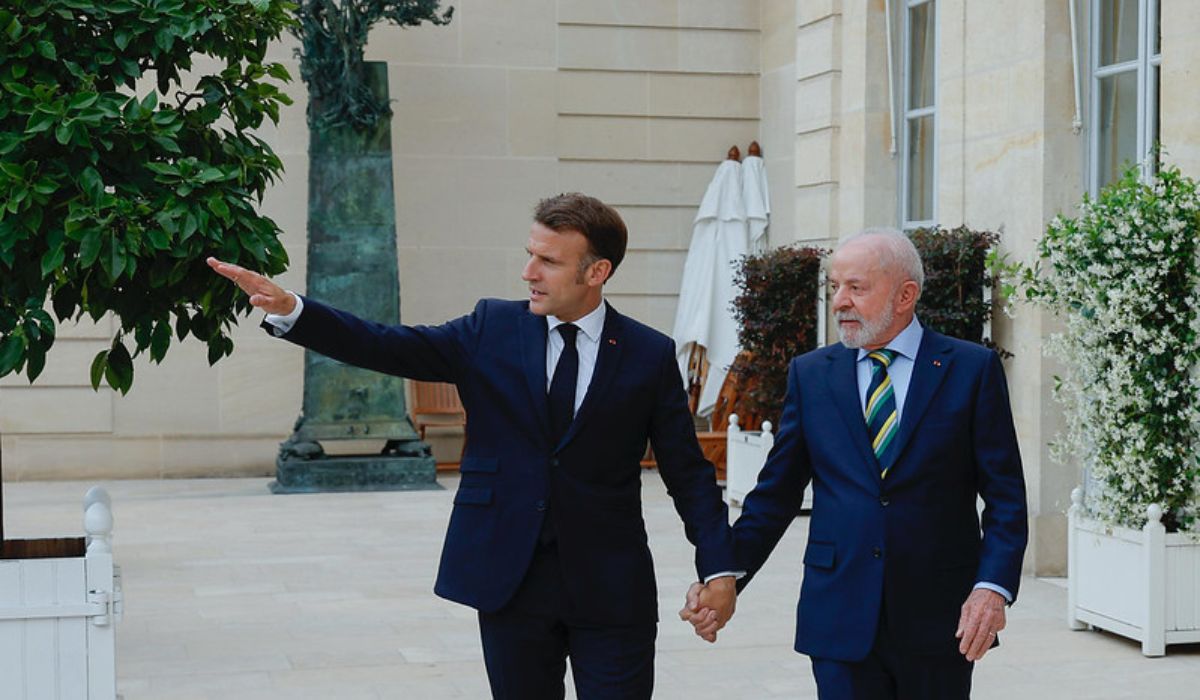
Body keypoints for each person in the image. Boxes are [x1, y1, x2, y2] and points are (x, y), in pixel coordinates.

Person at [208, 192, 737, 700]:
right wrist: (293, 310)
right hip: (510, 581)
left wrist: (718, 570)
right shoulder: (492, 327)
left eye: (548, 261)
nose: (528, 272)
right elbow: (385, 344)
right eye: (529, 255)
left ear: (596, 272)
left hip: (611, 587)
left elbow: (687, 473)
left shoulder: (648, 353)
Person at [683, 228, 1028, 699]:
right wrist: (726, 574)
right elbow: (775, 496)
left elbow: (1006, 499)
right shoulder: (811, 375)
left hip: (939, 618)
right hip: (839, 613)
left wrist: (992, 587)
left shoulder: (971, 370)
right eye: (835, 287)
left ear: (906, 295)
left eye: (855, 287)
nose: (839, 301)